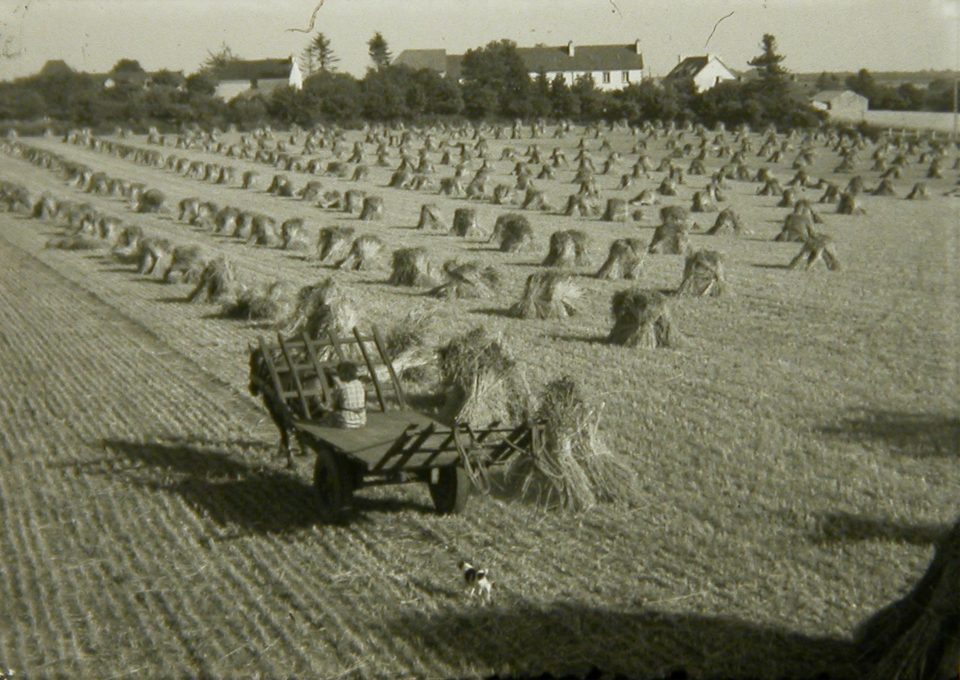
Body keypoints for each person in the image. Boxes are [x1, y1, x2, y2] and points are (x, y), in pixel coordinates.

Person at [327, 361, 367, 429]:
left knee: (330, 415)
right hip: (362, 421)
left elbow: (333, 403)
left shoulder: (342, 386)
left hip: (347, 423)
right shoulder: (360, 384)